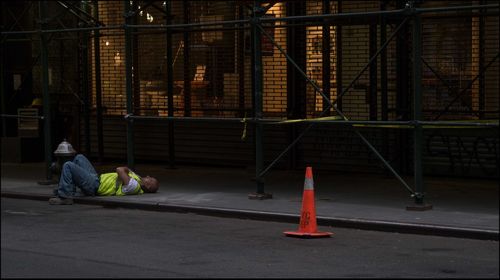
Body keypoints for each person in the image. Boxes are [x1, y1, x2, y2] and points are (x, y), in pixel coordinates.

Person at [49, 154, 159, 205]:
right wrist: (128, 171)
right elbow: (125, 171)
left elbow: (120, 169)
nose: (148, 176)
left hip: (95, 186)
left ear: (148, 186)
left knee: (68, 165)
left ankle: (65, 196)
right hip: (96, 178)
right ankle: (68, 188)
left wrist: (126, 169)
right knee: (79, 157)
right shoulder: (136, 179)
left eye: (150, 179)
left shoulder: (134, 186)